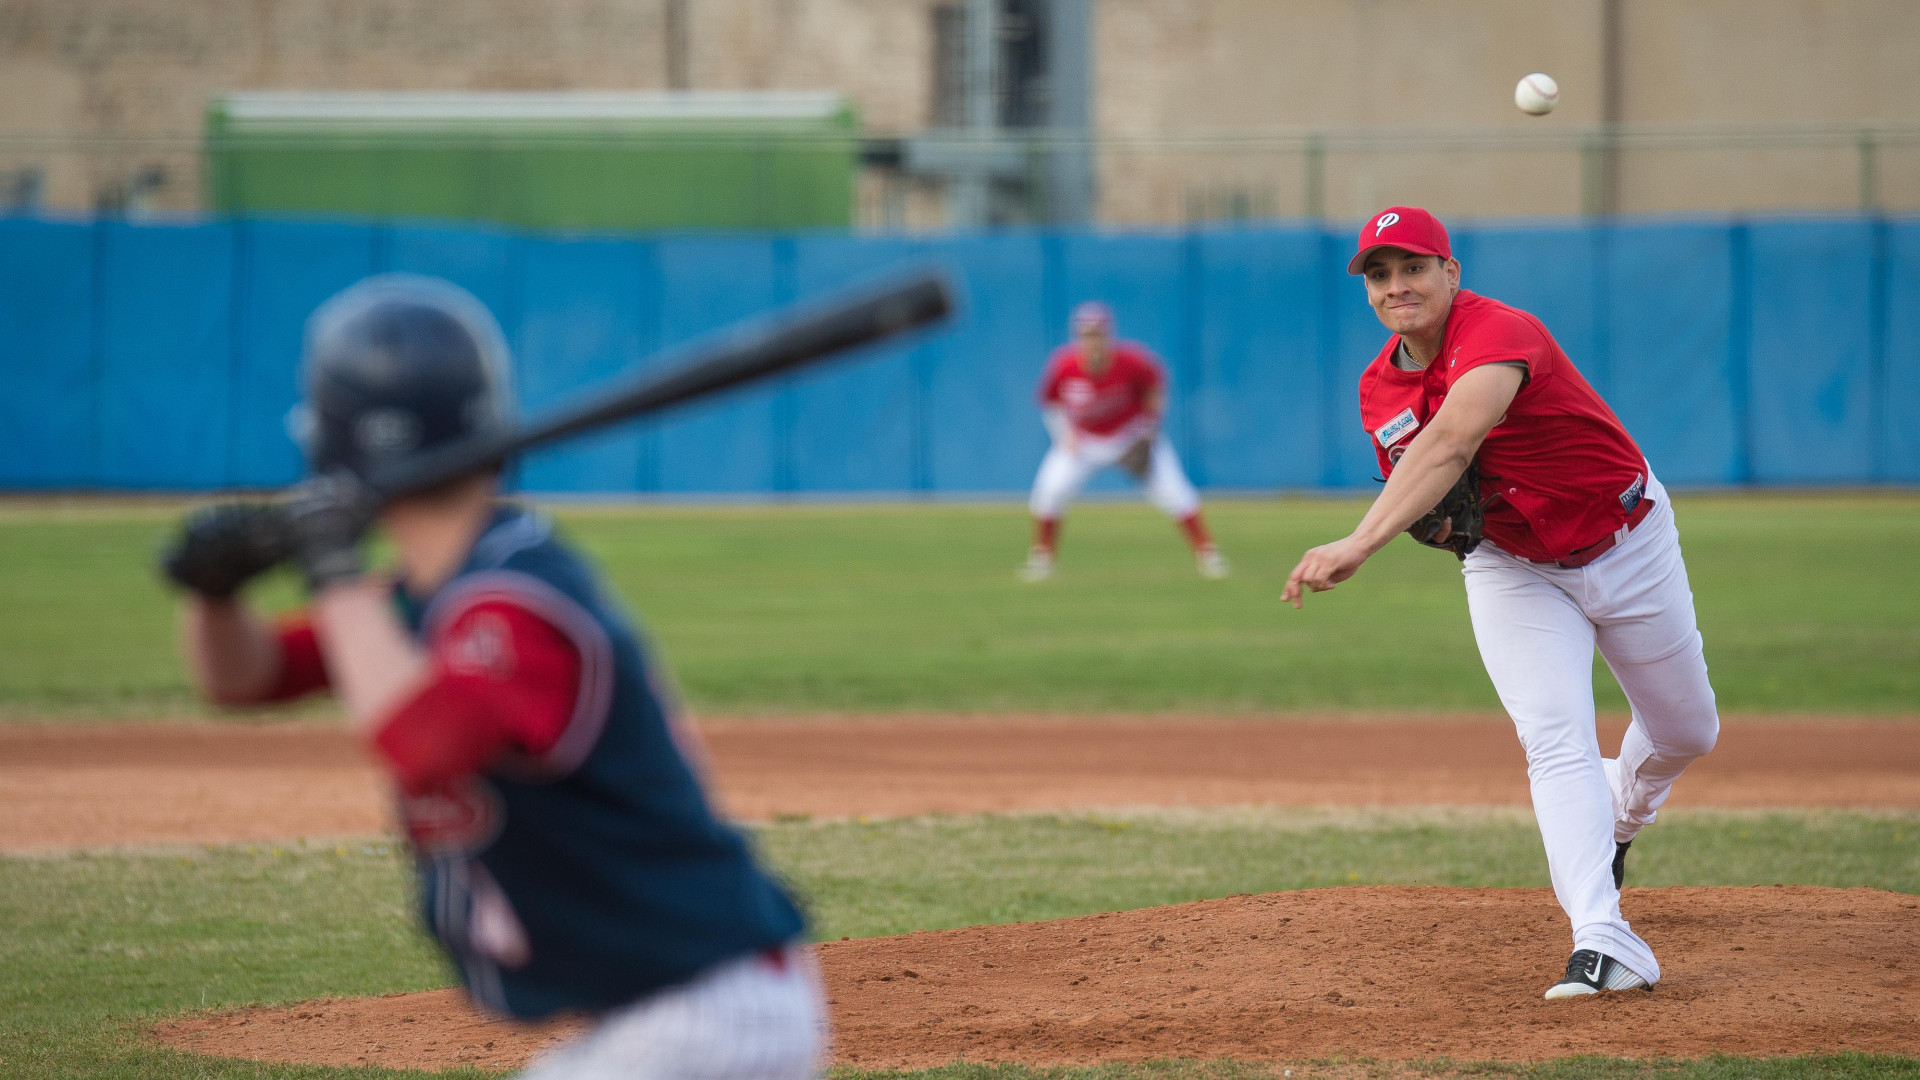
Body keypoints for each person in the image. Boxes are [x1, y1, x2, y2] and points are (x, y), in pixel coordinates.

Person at [163, 274, 826, 1079]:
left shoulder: (513, 599)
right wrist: (214, 592)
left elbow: (425, 740)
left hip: (707, 1013)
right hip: (672, 1012)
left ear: (331, 443)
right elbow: (248, 677)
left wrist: (330, 566)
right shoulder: (430, 599)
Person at [1282, 207, 1720, 1000]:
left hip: (1627, 538)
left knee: (1689, 730)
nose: (1395, 286)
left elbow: (1451, 441)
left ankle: (1623, 811)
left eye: (1412, 266)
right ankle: (1604, 939)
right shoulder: (1379, 388)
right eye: (1377, 275)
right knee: (1555, 740)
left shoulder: (1499, 331)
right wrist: (1437, 522)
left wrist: (1358, 543)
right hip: (1514, 566)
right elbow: (1434, 493)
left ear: (1451, 273)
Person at [1023, 301, 1226, 582]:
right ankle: (1042, 558)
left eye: (1098, 334)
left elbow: (1155, 387)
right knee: (1049, 490)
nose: (1093, 340)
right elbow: (1050, 402)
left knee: (1176, 492)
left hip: (1129, 436)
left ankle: (1208, 554)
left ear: (1109, 334)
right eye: (1087, 334)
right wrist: (1063, 434)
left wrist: (1149, 427)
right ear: (1078, 336)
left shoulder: (1131, 361)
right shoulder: (1064, 365)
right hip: (1085, 441)